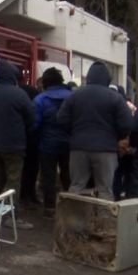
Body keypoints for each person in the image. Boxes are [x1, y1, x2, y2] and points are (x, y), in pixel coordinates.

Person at [56, 62, 133, 201]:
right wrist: (115, 137)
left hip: (78, 148)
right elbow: (127, 124)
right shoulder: (115, 97)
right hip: (106, 150)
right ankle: (103, 215)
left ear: (89, 77)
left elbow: (61, 119)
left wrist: (75, 133)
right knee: (105, 190)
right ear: (107, 79)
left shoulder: (75, 95)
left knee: (77, 186)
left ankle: (73, 214)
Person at [0, 59, 35, 229]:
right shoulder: (19, 95)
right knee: (13, 181)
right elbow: (31, 118)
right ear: (12, 76)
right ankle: (11, 217)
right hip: (13, 146)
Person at [32, 68, 71, 218]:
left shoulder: (40, 100)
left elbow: (35, 124)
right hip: (68, 144)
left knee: (48, 177)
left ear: (45, 82)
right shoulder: (72, 98)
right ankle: (71, 206)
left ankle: (49, 208)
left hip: (47, 145)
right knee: (68, 176)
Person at [17, 71, 41, 208]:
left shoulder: (18, 93)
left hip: (20, 137)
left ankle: (23, 196)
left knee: (23, 170)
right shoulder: (33, 92)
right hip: (34, 137)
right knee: (32, 168)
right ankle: (31, 195)